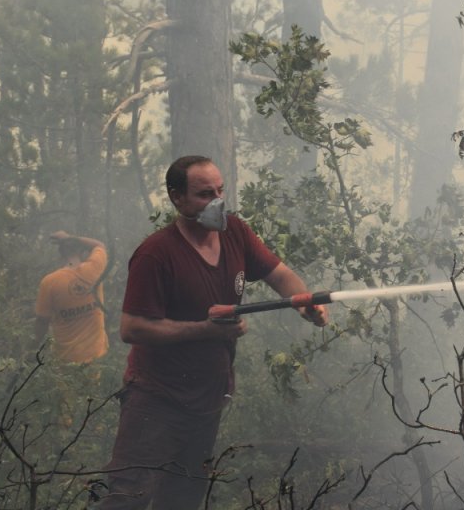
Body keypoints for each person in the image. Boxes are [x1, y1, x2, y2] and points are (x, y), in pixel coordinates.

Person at [100, 155, 327, 509]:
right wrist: (205, 330)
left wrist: (302, 301)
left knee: (182, 500)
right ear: (177, 198)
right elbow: (132, 328)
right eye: (205, 194)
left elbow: (280, 275)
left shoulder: (235, 232)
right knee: (127, 498)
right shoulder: (156, 254)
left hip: (206, 401)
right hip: (156, 400)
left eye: (220, 190)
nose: (217, 201)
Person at [34, 231, 109, 364]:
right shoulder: (94, 268)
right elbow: (100, 245)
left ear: (61, 254)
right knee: (93, 385)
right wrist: (70, 238)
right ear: (82, 252)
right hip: (95, 357)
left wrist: (32, 350)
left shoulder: (50, 282)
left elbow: (42, 322)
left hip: (65, 360)